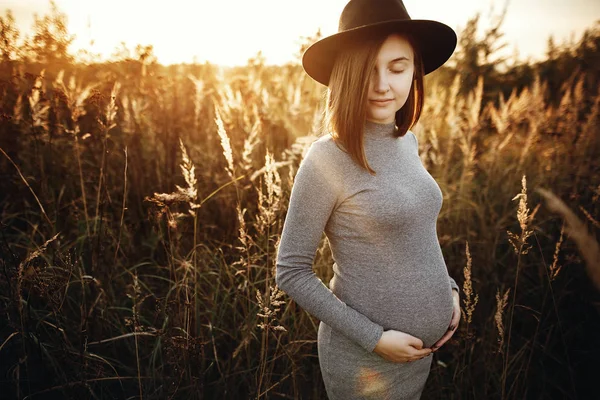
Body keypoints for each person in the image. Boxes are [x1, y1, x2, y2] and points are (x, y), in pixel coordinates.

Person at [275, 0, 461, 398]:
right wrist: (374, 338)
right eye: (367, 69)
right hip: (365, 364)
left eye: (397, 68)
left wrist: (450, 292)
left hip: (420, 356)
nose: (382, 85)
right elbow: (290, 270)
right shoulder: (328, 158)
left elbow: (416, 232)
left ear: (414, 71)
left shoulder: (406, 140)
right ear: (346, 75)